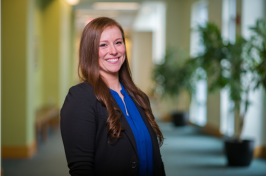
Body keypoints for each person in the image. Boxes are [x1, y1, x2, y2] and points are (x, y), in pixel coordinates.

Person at [60, 17, 165, 176]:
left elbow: (155, 159)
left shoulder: (140, 97)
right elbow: (81, 168)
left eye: (118, 42)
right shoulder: (80, 98)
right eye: (103, 45)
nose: (114, 51)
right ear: (90, 50)